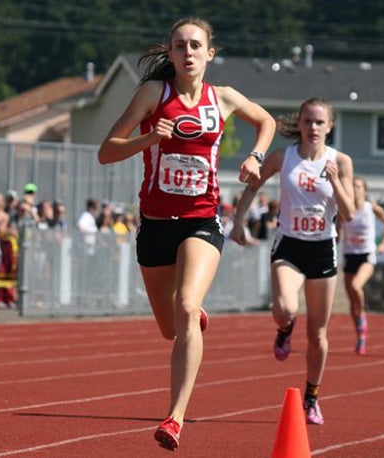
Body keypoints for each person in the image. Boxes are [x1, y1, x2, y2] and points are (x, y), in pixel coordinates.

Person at [97, 17, 275, 450]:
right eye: (180, 46)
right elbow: (105, 152)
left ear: (209, 54)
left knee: (187, 305)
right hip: (156, 224)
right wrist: (148, 139)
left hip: (202, 220)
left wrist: (255, 156)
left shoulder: (224, 98)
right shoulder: (152, 95)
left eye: (196, 45)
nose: (189, 52)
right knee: (169, 328)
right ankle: (190, 319)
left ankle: (174, 418)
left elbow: (266, 122)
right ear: (171, 53)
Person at [231, 97, 354, 425]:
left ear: (329, 127)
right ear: (298, 124)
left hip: (322, 250)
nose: (313, 128)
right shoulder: (282, 158)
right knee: (284, 307)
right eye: (308, 121)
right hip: (289, 245)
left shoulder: (340, 161)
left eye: (319, 122)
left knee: (318, 334)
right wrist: (239, 220)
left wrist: (336, 181)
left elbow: (350, 212)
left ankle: (312, 397)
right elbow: (253, 185)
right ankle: (285, 329)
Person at [339, 176, 384, 355]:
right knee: (352, 301)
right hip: (349, 255)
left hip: (367, 255)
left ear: (365, 190)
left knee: (356, 287)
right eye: (353, 186)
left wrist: (383, 243)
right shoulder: (345, 210)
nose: (355, 189)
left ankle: (362, 315)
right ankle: (360, 336)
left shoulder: (371, 208)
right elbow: (337, 230)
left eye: (358, 186)